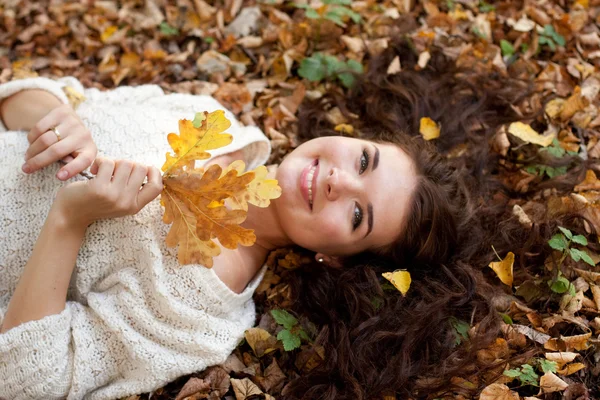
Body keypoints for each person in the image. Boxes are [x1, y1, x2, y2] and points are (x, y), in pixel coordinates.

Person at [0, 39, 574, 399]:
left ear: (337, 257)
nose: (338, 179)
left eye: (357, 213)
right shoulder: (211, 121)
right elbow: (26, 97)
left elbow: (27, 377)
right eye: (364, 160)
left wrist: (68, 224)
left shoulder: (201, 316)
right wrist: (55, 118)